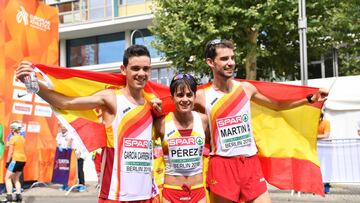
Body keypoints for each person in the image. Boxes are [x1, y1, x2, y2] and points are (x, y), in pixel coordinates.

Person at [16, 45, 161, 202]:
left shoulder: (152, 102)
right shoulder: (111, 98)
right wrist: (33, 84)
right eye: (135, 68)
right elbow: (65, 103)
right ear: (123, 70)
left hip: (147, 194)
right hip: (116, 194)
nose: (141, 73)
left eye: (146, 69)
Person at [194, 39, 328, 203]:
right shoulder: (201, 95)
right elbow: (174, 103)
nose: (230, 63)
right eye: (224, 59)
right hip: (222, 166)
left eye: (232, 58)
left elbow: (277, 105)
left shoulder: (246, 89)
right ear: (210, 62)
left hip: (250, 163)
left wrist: (310, 99)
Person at [153, 73, 209, 203]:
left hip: (198, 192)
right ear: (172, 98)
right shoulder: (160, 124)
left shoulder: (204, 121)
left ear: (195, 97)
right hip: (171, 193)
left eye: (189, 95)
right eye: (180, 95)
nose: (185, 99)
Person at [4, 121, 27, 202]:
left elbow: (10, 152)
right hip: (23, 160)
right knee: (16, 178)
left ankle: (9, 196)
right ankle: (18, 196)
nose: (10, 130)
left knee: (7, 178)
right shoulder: (22, 138)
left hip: (15, 160)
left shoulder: (12, 138)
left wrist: (7, 162)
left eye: (11, 129)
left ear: (13, 130)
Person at [55, 122, 73, 191]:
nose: (63, 128)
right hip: (60, 153)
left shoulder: (70, 134)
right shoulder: (59, 135)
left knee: (67, 170)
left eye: (64, 127)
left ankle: (68, 185)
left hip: (67, 153)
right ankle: (63, 185)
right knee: (62, 169)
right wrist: (59, 147)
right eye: (62, 127)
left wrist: (65, 147)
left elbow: (69, 142)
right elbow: (57, 143)